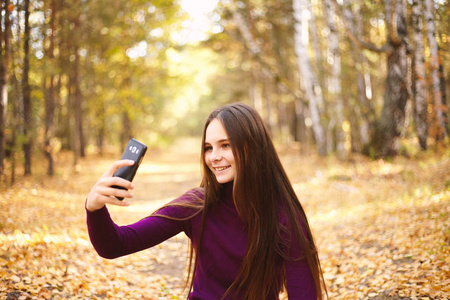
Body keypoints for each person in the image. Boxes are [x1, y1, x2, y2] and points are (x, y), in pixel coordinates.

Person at [86, 103, 327, 299]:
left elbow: (304, 294)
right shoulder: (196, 206)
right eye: (208, 147)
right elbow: (114, 245)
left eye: (226, 145)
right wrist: (94, 207)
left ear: (252, 147)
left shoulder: (283, 215)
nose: (214, 157)